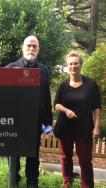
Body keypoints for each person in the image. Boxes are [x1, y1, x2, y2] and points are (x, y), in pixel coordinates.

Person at [6, 36, 53, 187]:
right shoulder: (10, 68)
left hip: (35, 121)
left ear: (38, 49)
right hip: (13, 121)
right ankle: (14, 178)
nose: (31, 49)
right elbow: (2, 97)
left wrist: (48, 123)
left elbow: (46, 98)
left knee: (33, 153)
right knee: (13, 152)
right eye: (29, 46)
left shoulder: (44, 71)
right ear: (23, 47)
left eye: (35, 46)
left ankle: (32, 181)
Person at [54, 51, 101, 188]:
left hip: (84, 128)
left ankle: (87, 185)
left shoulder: (91, 84)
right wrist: (66, 110)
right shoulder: (63, 85)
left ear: (80, 65)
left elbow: (97, 107)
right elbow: (56, 104)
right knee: (65, 157)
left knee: (85, 160)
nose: (73, 66)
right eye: (70, 64)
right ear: (67, 66)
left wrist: (97, 127)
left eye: (76, 63)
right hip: (65, 127)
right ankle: (67, 180)